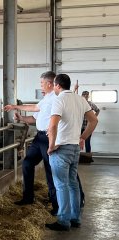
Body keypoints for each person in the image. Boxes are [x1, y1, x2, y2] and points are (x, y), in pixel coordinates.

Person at [45, 74, 98, 231]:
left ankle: (63, 221)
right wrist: (82, 137)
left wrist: (50, 145)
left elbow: (52, 126)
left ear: (58, 85)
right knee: (73, 184)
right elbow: (94, 120)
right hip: (75, 148)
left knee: (61, 185)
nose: (54, 88)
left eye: (54, 85)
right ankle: (75, 218)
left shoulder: (59, 99)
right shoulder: (80, 99)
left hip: (61, 148)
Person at [4, 71, 59, 215]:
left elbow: (34, 108)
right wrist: (21, 118)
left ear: (49, 83)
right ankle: (28, 197)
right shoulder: (46, 98)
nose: (40, 86)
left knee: (50, 170)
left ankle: (56, 204)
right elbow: (34, 119)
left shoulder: (56, 98)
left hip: (48, 137)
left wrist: (15, 106)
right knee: (27, 163)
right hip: (39, 138)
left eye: (41, 83)